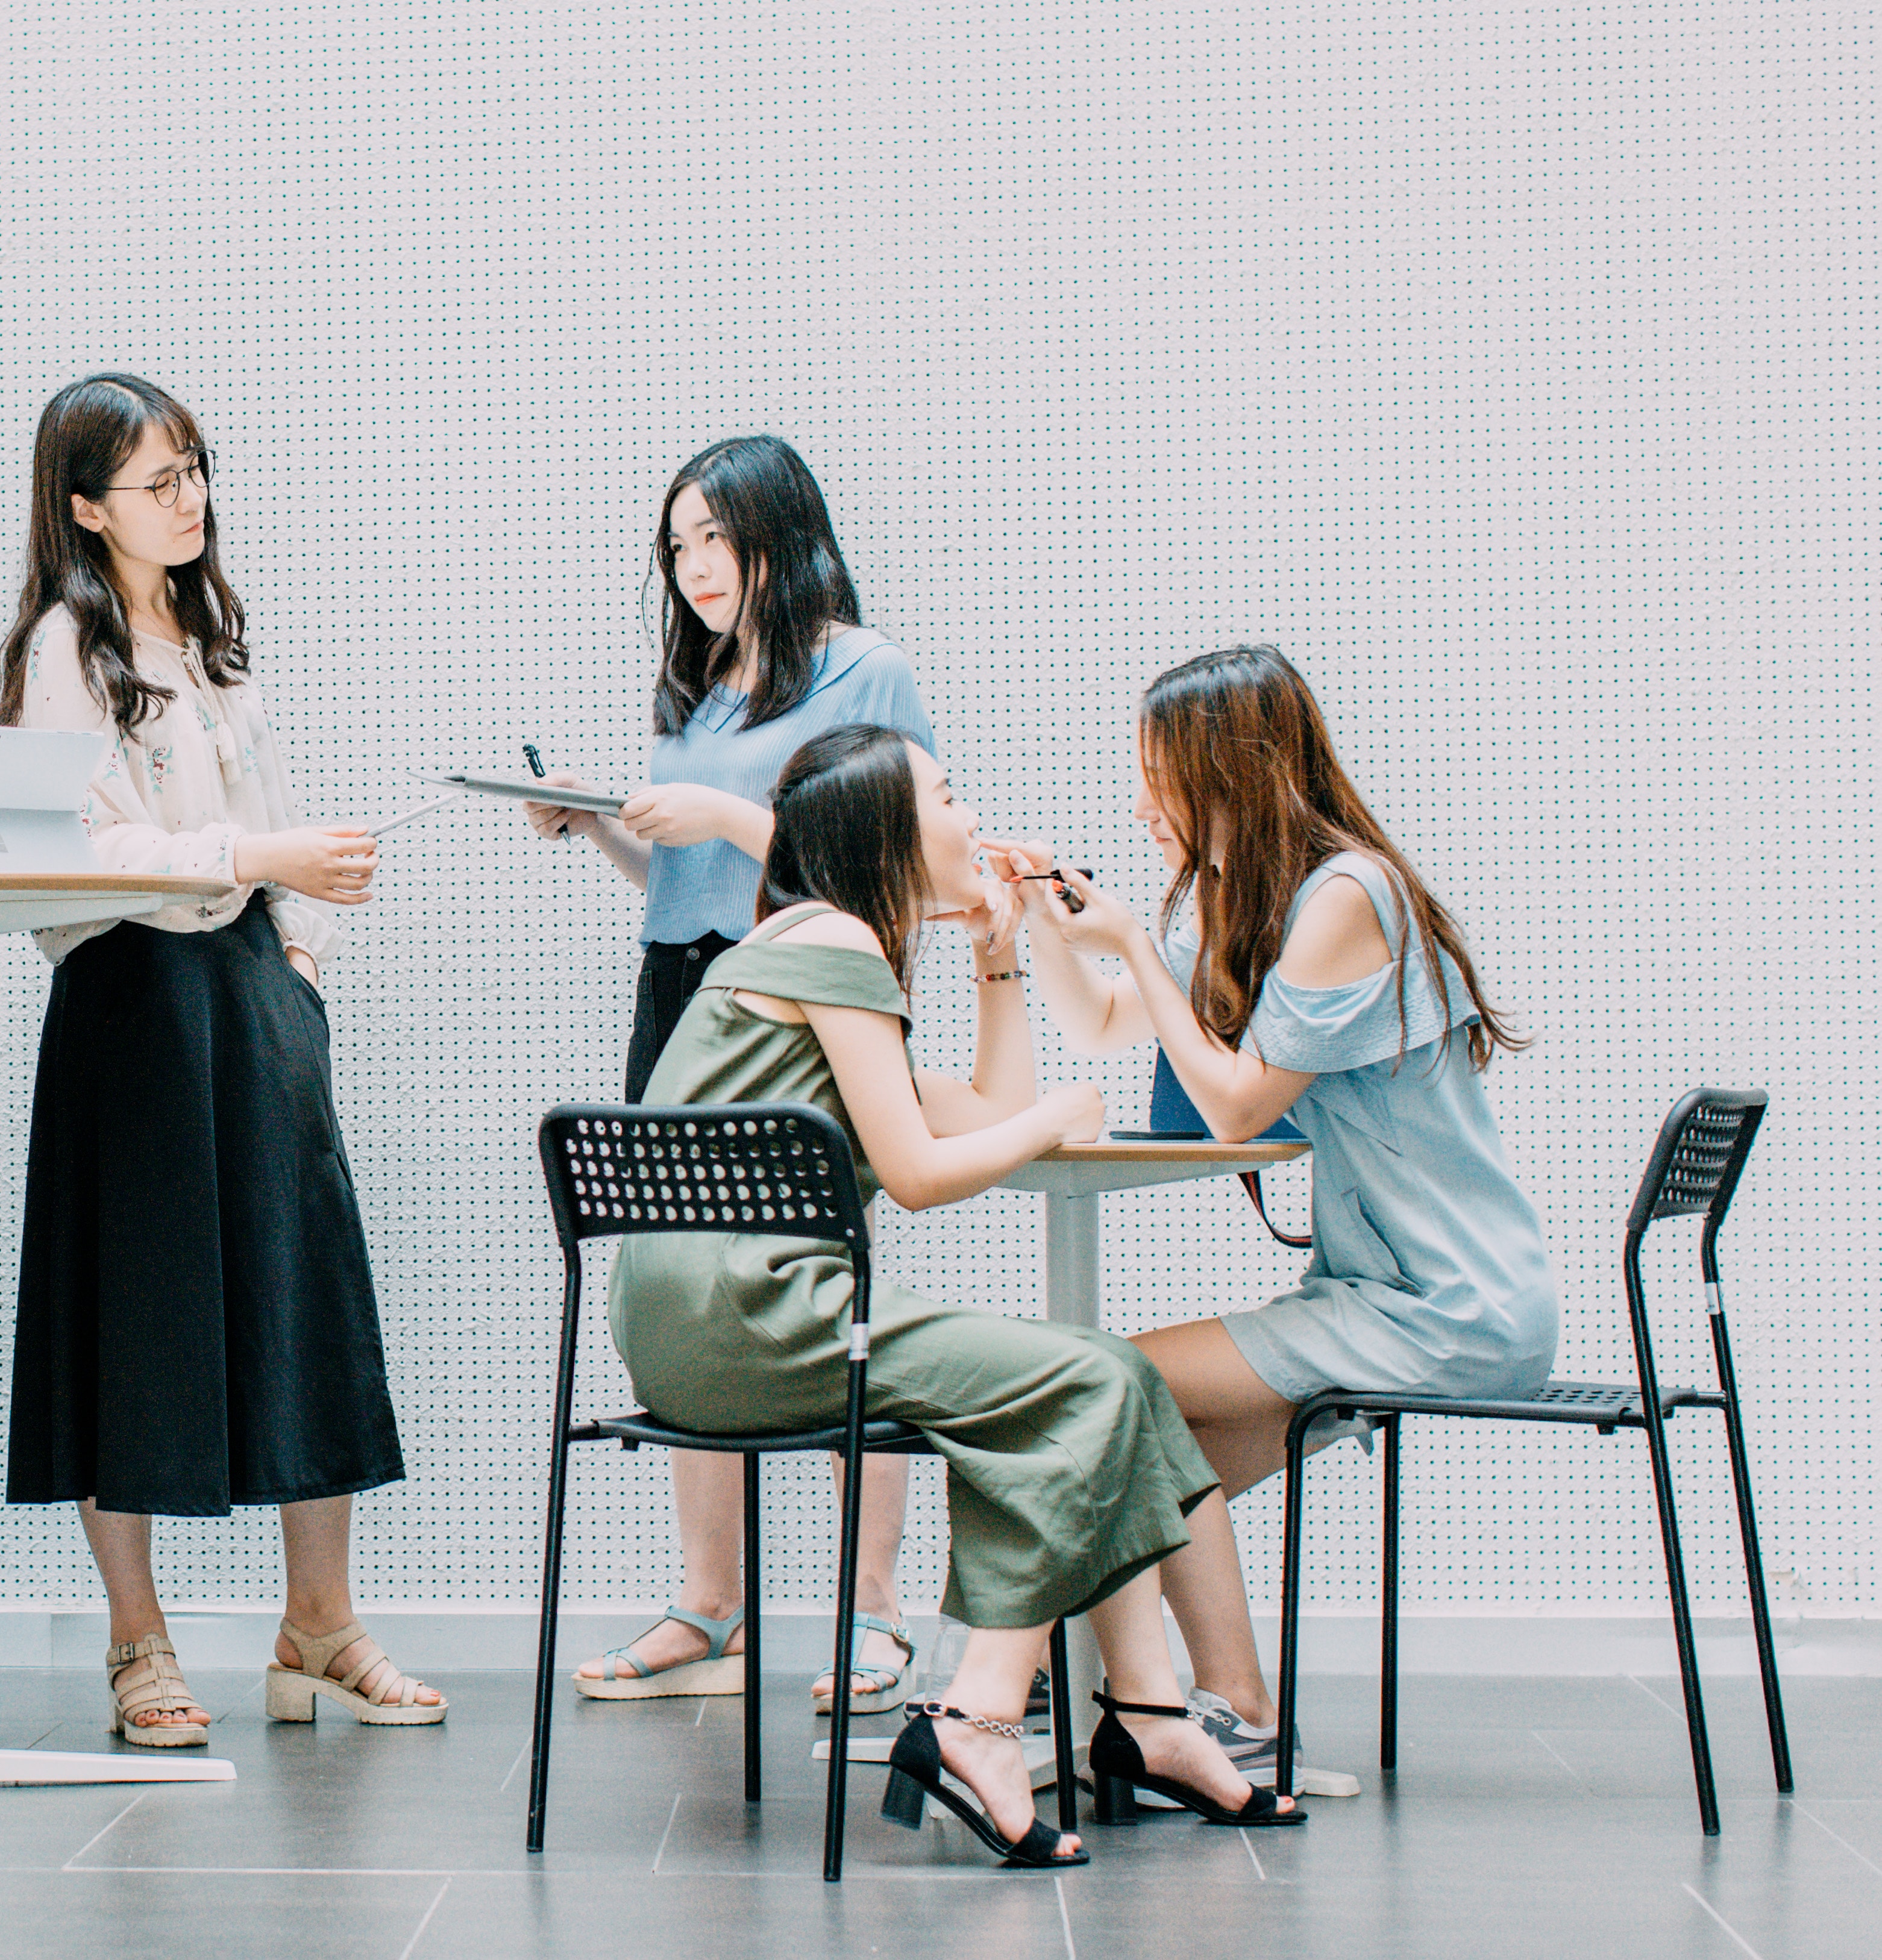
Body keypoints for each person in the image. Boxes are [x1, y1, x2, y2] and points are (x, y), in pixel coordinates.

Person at [610, 722, 1301, 1865]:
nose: (971, 818)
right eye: (947, 794)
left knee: (1107, 1380)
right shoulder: (834, 943)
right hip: (764, 1320)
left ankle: (1149, 1716)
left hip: (698, 1328)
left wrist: (997, 953)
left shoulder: (796, 946)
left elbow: (982, 1105)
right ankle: (982, 1722)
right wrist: (1062, 1114)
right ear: (887, 830)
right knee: (1099, 1375)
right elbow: (931, 1174)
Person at [0, 372, 442, 1744]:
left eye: (194, 470)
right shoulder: (61, 650)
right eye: (155, 480)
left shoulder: (210, 629)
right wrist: (255, 864)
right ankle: (139, 1643)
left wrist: (295, 958)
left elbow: (277, 816)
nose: (187, 500)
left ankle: (321, 1626)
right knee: (127, 1316)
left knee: (302, 1299)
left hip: (249, 988)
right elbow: (76, 852)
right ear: (84, 507)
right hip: (131, 1002)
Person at [1024, 643, 1554, 1782]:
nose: (1142, 805)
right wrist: (1044, 934)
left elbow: (1235, 1106)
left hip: (1447, 1305)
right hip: (1375, 1293)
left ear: (1229, 770)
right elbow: (1113, 1025)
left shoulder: (1348, 896)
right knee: (1146, 1441)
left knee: (1118, 1380)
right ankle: (1199, 1707)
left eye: (1159, 775)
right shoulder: (1254, 898)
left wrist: (1127, 939)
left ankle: (1187, 1700)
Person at [526, 436, 935, 1715]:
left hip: (809, 990)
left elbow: (882, 858)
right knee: (682, 1284)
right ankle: (711, 1602)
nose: (693, 566)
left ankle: (870, 1615)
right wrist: (597, 821)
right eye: (676, 544)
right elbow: (682, 885)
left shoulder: (866, 671)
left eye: (715, 537)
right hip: (685, 992)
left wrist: (721, 815)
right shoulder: (697, 693)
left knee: (826, 1281)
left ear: (780, 532)